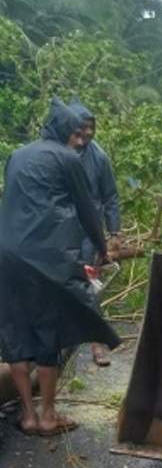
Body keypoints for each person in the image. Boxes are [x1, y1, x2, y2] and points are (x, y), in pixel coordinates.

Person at [0, 98, 120, 435]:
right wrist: (102, 246)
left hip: (6, 253)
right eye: (76, 134)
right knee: (46, 330)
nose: (80, 141)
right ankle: (48, 415)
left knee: (14, 328)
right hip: (45, 258)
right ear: (63, 132)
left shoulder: (18, 154)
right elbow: (87, 210)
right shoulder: (68, 159)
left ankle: (27, 415)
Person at [68, 99, 121, 367]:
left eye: (91, 127)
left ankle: (97, 343)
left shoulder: (99, 157)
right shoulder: (58, 151)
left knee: (89, 286)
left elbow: (111, 196)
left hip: (89, 234)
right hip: (60, 231)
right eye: (82, 127)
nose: (87, 133)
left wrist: (114, 233)